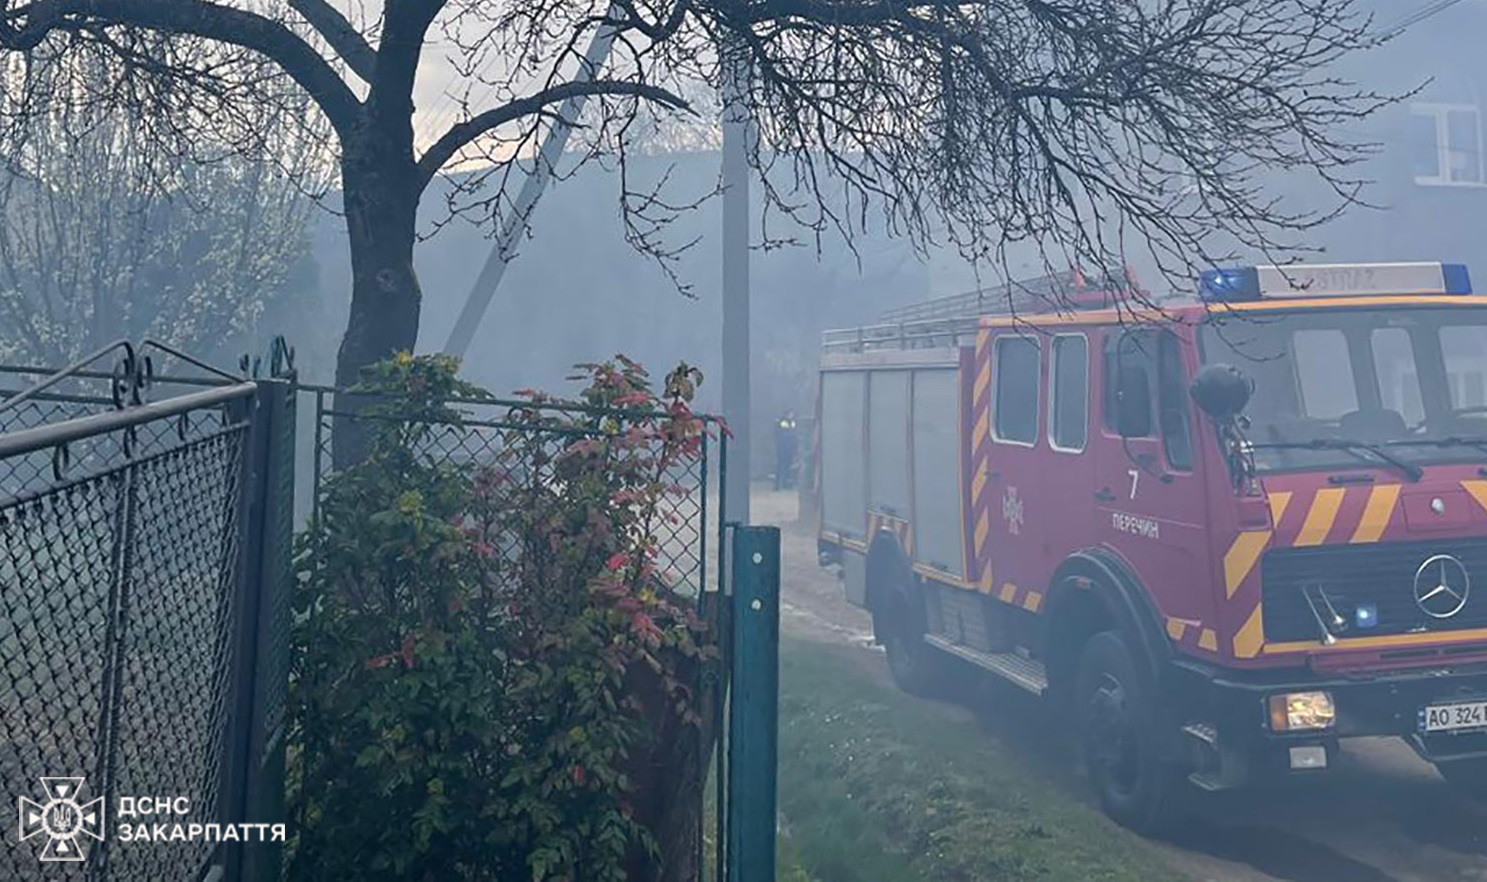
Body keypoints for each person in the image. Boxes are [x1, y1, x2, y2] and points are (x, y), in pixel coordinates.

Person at [773, 411, 798, 490]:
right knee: (781, 466)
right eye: (790, 414)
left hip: (788, 448)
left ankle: (785, 483)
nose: (792, 416)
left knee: (787, 466)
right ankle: (778, 484)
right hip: (783, 448)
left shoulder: (792, 423)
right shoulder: (783, 422)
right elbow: (781, 434)